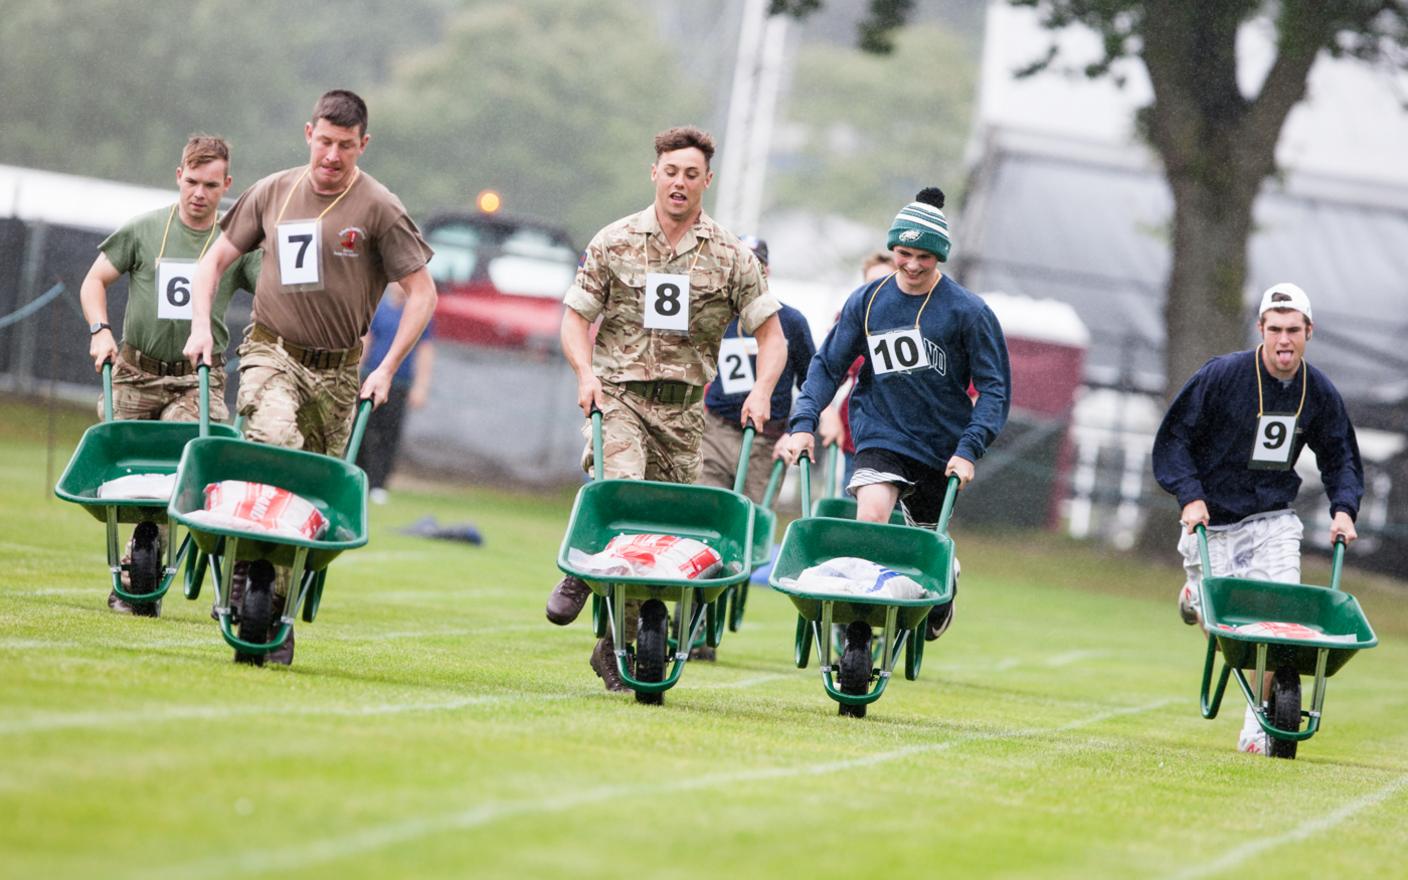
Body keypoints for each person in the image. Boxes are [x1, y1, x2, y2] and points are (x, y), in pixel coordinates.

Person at [184, 89, 436, 664]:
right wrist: (202, 325)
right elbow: (215, 261)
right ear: (308, 135)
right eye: (324, 142)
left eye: (346, 146)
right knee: (276, 443)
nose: (332, 155)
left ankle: (272, 605)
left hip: (340, 373)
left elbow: (423, 295)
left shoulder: (379, 207)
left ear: (362, 146)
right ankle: (251, 569)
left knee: (311, 497)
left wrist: (388, 367)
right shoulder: (273, 191)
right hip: (271, 352)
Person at [545, 125, 787, 692]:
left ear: (707, 181)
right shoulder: (615, 240)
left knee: (667, 537)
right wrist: (585, 374)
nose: (680, 183)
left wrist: (761, 389)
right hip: (621, 398)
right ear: (655, 173)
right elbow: (575, 318)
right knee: (623, 497)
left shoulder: (730, 256)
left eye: (691, 174)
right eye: (671, 172)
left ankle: (614, 643)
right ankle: (586, 566)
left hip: (685, 415)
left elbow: (772, 338)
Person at [781, 187, 1011, 641]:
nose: (911, 264)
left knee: (925, 545)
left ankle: (943, 579)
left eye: (924, 256)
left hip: (942, 445)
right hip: (880, 433)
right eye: (904, 253)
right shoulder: (867, 301)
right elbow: (827, 366)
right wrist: (803, 422)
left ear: (940, 256)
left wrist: (969, 448)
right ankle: (860, 626)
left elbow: (995, 390)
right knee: (871, 515)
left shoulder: (969, 312)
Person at [1152, 282, 1363, 755]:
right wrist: (1189, 496)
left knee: (1274, 621)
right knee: (1228, 630)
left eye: (1293, 330)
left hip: (1271, 519)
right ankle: (1196, 595)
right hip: (1213, 518)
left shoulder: (1318, 391)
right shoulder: (1223, 376)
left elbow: (1341, 456)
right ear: (1261, 330)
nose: (1284, 340)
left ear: (1309, 332)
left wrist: (1344, 509)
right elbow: (1174, 438)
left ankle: (1256, 726)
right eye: (1275, 330)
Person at [80, 134, 260, 616]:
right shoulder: (145, 229)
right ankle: (140, 559)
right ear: (179, 176)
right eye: (192, 182)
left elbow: (273, 295)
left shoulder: (236, 244)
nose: (200, 193)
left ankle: (138, 569)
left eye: (211, 184)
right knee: (129, 469)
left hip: (196, 379)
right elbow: (94, 279)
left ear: (227, 185)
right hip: (135, 373)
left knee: (177, 460)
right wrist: (100, 330)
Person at [697, 235, 815, 504]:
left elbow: (813, 382)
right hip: (716, 431)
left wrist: (794, 431)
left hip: (765, 441)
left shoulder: (791, 321)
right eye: (740, 264)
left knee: (751, 520)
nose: (747, 272)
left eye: (755, 265)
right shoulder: (715, 315)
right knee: (703, 507)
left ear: (767, 271)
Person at [817, 251, 894, 490]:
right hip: (859, 443)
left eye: (885, 282)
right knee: (855, 516)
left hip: (908, 444)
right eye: (871, 283)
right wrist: (826, 412)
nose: (878, 290)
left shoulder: (923, 320)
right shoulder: (852, 318)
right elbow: (826, 372)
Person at [355, 284, 436, 504]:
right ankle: (358, 477)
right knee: (361, 430)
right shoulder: (378, 309)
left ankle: (379, 484)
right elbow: (366, 341)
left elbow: (424, 350)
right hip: (370, 379)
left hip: (398, 382)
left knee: (389, 434)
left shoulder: (418, 313)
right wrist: (355, 374)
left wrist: (421, 386)